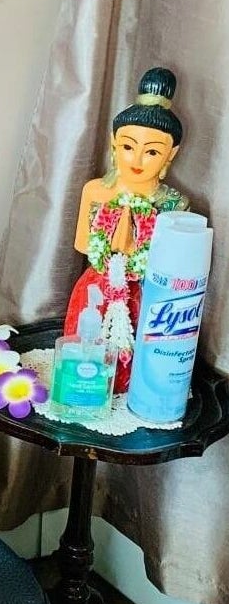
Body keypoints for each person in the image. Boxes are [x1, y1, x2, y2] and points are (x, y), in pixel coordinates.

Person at [65, 67, 188, 393]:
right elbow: (83, 244)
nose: (137, 159)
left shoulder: (174, 203)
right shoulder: (96, 191)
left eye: (152, 152)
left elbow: (171, 266)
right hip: (95, 286)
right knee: (83, 368)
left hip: (144, 292)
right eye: (129, 146)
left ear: (170, 155)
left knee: (131, 370)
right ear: (114, 144)